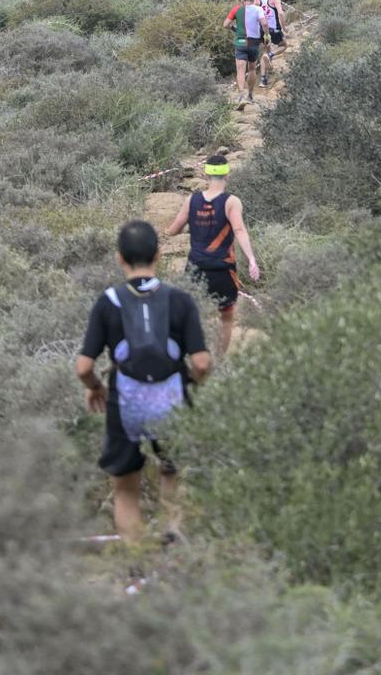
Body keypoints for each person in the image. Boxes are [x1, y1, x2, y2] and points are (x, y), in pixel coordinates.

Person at [75, 220, 210, 540]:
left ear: (119, 258)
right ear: (159, 254)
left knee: (125, 492)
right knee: (173, 474)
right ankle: (173, 546)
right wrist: (189, 380)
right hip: (173, 400)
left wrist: (95, 388)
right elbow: (203, 362)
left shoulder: (108, 301)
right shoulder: (179, 300)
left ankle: (137, 572)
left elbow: (83, 366)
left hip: (125, 402)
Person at [164, 155, 259, 359]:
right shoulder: (231, 202)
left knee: (190, 314)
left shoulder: (192, 199)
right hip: (222, 270)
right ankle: (218, 358)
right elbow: (239, 230)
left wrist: (160, 235)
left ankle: (190, 356)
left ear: (206, 174)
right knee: (226, 317)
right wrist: (251, 258)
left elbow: (174, 228)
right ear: (226, 174)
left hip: (195, 268)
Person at [225, 0, 268, 103]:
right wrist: (266, 36)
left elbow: (226, 24)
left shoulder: (236, 9)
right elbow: (264, 24)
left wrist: (235, 29)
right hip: (254, 43)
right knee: (252, 68)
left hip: (240, 42)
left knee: (240, 70)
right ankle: (250, 95)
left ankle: (241, 96)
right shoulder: (258, 9)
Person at [255, 0, 286, 88]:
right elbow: (281, 13)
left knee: (264, 51)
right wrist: (284, 27)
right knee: (283, 45)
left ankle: (263, 80)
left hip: (262, 29)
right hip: (274, 28)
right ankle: (271, 54)